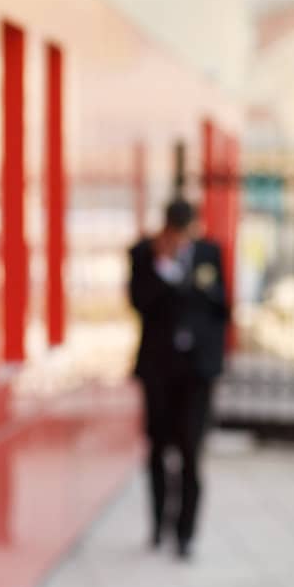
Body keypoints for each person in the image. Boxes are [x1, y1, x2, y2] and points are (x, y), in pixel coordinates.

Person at [127, 198, 229, 561]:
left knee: (190, 453)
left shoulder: (208, 253)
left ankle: (185, 533)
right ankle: (158, 525)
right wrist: (163, 265)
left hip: (195, 373)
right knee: (157, 449)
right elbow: (139, 302)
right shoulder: (144, 254)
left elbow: (221, 309)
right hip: (158, 370)